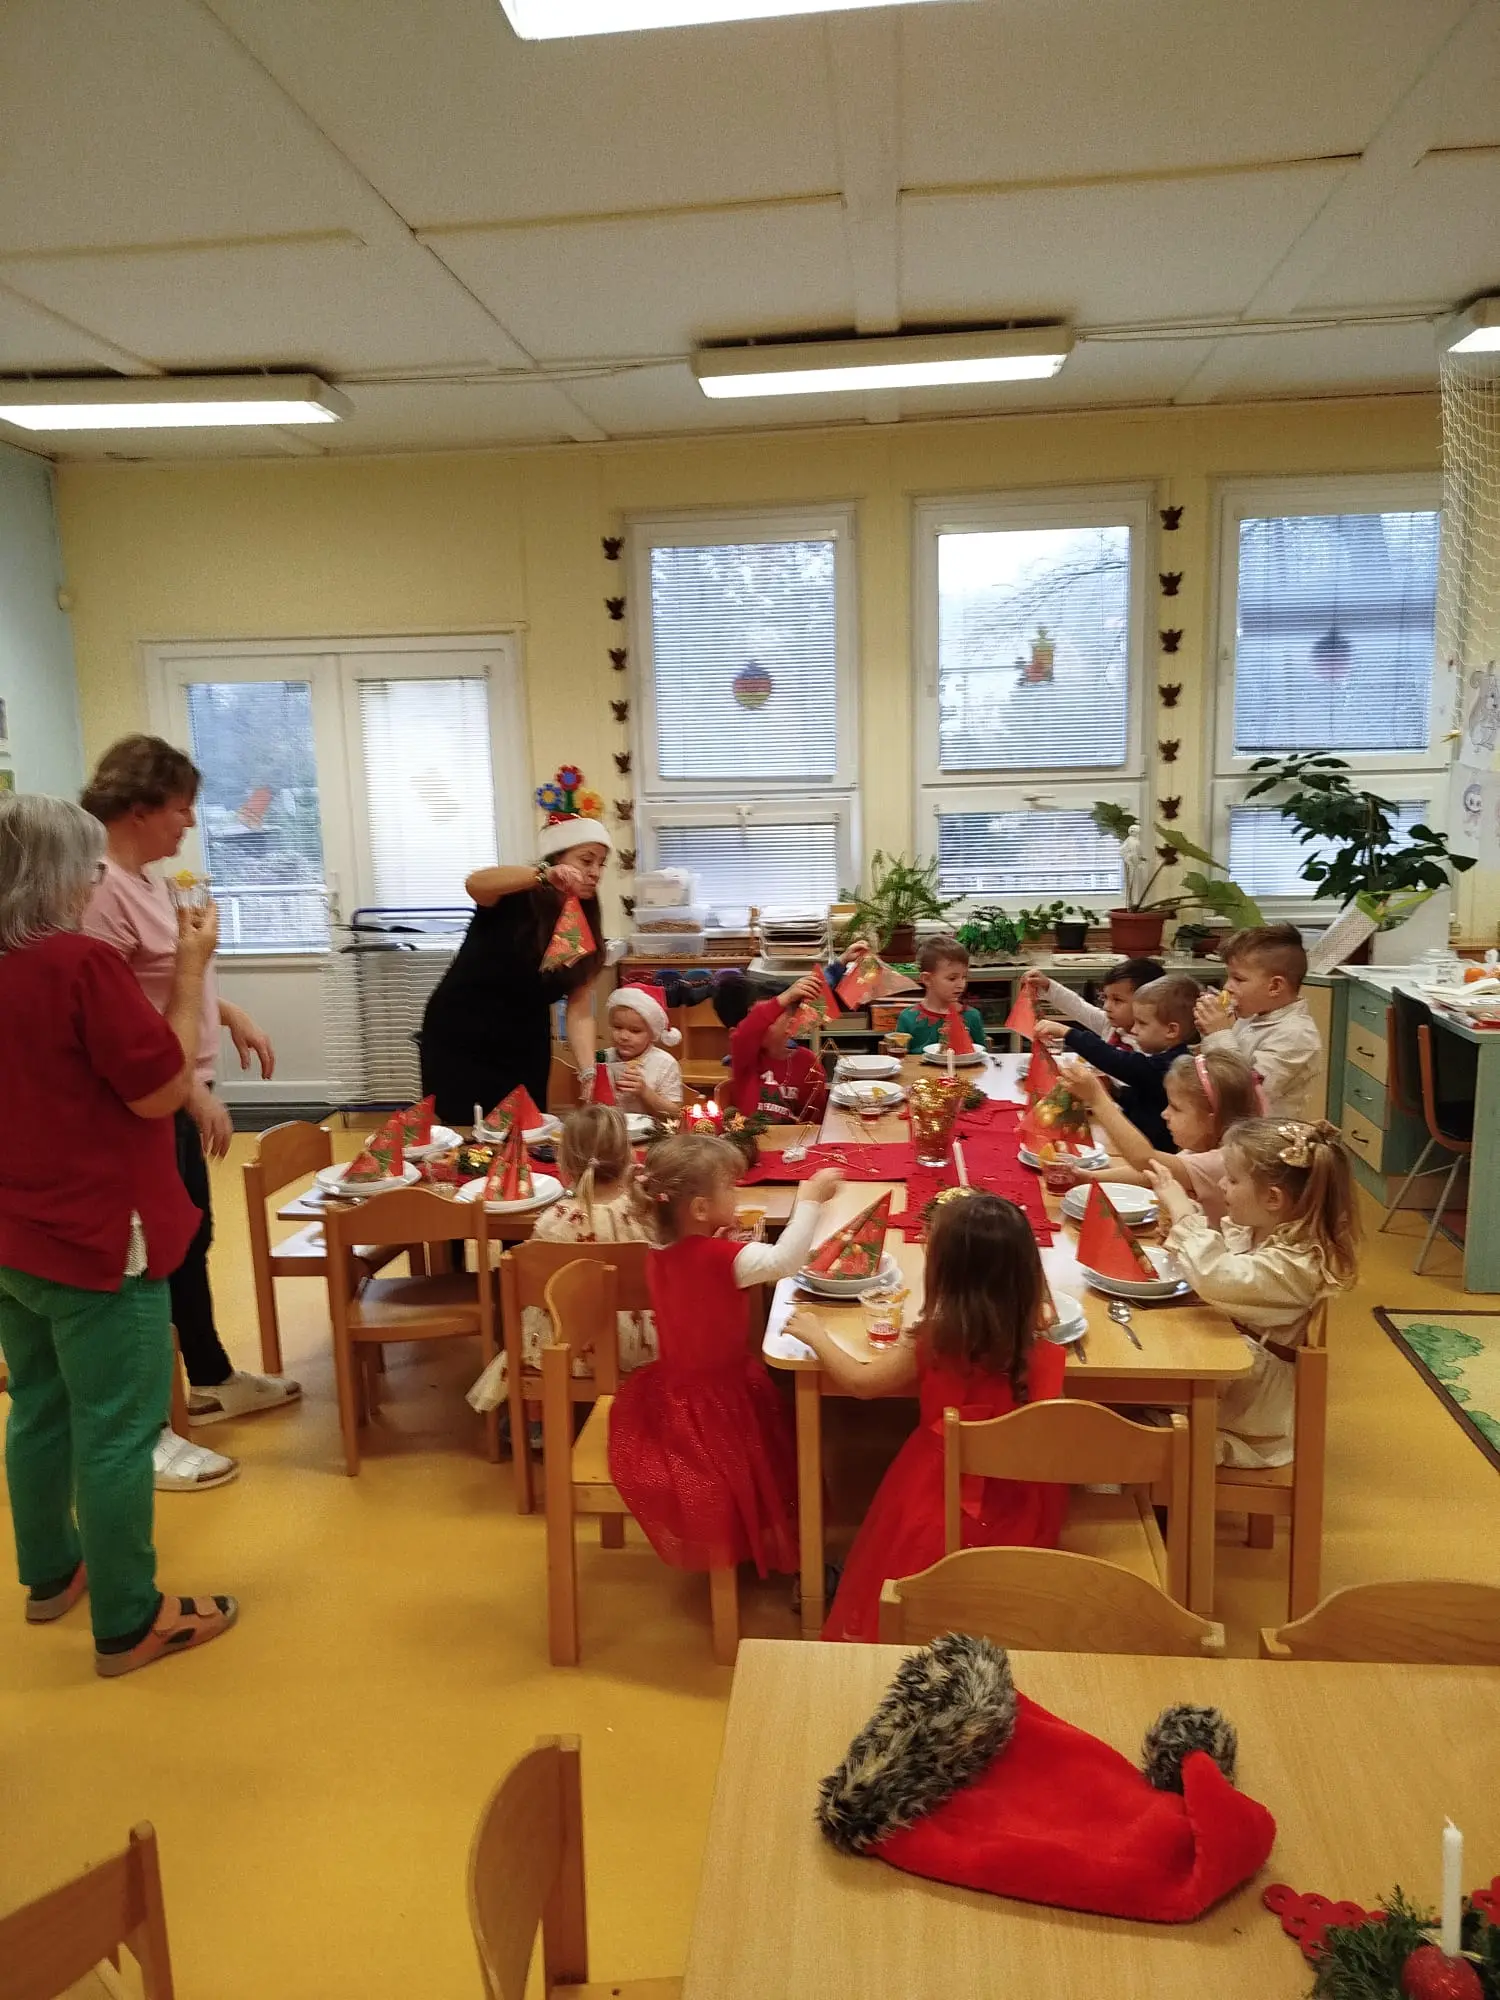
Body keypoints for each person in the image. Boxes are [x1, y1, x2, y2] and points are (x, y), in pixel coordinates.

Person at [0, 792, 237, 1676]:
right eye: (88, 867)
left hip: (15, 1233)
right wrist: (189, 970)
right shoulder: (79, 964)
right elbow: (159, 1090)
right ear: (58, 874)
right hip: (101, 1234)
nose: (95, 880)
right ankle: (131, 1620)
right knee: (116, 1430)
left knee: (39, 1403)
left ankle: (51, 1574)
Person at [80, 736, 297, 1495]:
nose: (191, 823)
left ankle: (208, 1378)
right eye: (180, 807)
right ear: (139, 808)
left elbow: (167, 977)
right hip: (151, 1099)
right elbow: (117, 1018)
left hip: (176, 1087)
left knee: (190, 1238)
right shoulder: (101, 890)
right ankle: (153, 1422)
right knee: (153, 1260)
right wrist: (188, 1088)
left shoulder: (145, 881)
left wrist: (227, 1011)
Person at [795, 1193, 1068, 1644]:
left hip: (936, 1499)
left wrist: (817, 1335)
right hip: (1020, 1509)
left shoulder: (933, 1343)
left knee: (895, 1577)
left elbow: (862, 1384)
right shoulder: (1043, 1352)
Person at [606, 1134, 844, 1578]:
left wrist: (721, 1243)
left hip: (677, 1395)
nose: (737, 1194)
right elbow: (785, 1262)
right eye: (730, 1188)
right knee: (764, 1468)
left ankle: (740, 1545)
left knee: (754, 1470)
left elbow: (697, 1273)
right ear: (699, 1208)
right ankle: (749, 1550)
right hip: (722, 1402)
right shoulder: (724, 1258)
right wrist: (810, 1199)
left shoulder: (659, 1252)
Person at [1148, 1117, 1357, 1467]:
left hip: (1246, 1423)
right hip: (1232, 1385)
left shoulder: (1296, 1266)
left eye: (1232, 1179)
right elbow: (1224, 1271)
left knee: (1116, 1406)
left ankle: (1129, 1491)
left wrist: (1183, 1214)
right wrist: (1182, 1236)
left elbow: (1217, 1276)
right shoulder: (1262, 1231)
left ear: (1272, 1198)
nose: (1221, 1185)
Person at [419, 777, 609, 1125]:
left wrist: (587, 1072)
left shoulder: (586, 922)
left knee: (526, 1130)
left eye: (601, 863)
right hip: (462, 1034)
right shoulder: (516, 895)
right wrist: (542, 875)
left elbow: (580, 1008)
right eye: (586, 860)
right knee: (465, 1131)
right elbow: (475, 883)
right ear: (556, 858)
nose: (595, 872)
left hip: (525, 1040)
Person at [466, 1103, 657, 1417]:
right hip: (639, 1348)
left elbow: (537, 1289)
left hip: (565, 1350)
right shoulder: (645, 1213)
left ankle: (536, 1420)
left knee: (528, 1307)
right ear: (629, 1156)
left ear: (564, 1162)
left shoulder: (553, 1222)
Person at [1062, 1047, 1263, 1228]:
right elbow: (1154, 1174)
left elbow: (1145, 1159)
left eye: (1176, 1108)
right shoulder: (1200, 1148)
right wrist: (1090, 1177)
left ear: (1211, 1119)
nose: (1164, 1114)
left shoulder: (1223, 1160)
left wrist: (1097, 1099)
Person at [1037, 973, 1199, 1151]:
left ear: (1171, 1030)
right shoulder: (1162, 1059)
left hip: (1152, 1154)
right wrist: (1113, 1092)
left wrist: (1069, 1034)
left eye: (1142, 1023)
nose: (1134, 1030)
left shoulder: (1172, 1066)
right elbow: (1140, 1098)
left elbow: (1121, 1063)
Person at [1193, 923, 1323, 1119]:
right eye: (1229, 977)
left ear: (1275, 986)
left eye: (1238, 979)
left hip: (1263, 1135)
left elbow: (1248, 1095)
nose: (1227, 987)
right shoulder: (1252, 1016)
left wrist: (1218, 1034)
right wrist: (1207, 1033)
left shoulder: (1297, 1036)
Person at [725, 971, 832, 1124]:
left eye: (768, 1018)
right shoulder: (745, 1056)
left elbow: (814, 1119)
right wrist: (785, 997)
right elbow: (744, 1034)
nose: (758, 1025)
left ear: (790, 1024)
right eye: (752, 1016)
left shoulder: (807, 1062)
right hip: (750, 1136)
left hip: (792, 1137)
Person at [1023, 956, 1164, 1051]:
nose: (1106, 1007)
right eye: (1105, 998)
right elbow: (1078, 1007)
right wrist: (1047, 985)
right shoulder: (1108, 1025)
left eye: (1117, 1000)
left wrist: (1066, 1032)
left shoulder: (1153, 1044)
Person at [602, 983, 684, 1120]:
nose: (624, 1036)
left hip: (652, 1130)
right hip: (610, 1129)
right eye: (618, 1027)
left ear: (652, 1034)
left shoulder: (665, 1063)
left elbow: (675, 1112)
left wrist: (645, 1092)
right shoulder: (602, 1058)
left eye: (635, 1031)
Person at [895, 938, 988, 1054]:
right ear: (927, 979)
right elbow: (901, 1058)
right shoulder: (907, 1018)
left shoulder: (972, 1016)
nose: (961, 984)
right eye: (952, 978)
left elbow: (981, 1056)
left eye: (964, 977)